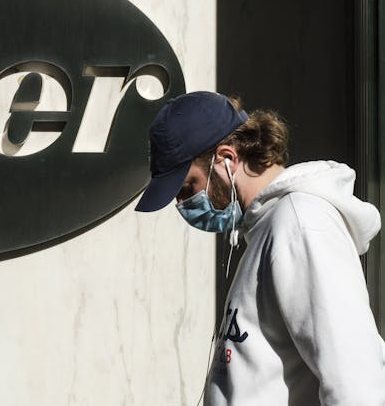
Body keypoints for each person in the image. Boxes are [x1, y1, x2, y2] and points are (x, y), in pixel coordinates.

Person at [135, 91, 385, 405]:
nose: (182, 204)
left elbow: (356, 381)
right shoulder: (267, 229)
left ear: (226, 158)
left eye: (188, 186)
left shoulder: (300, 224)